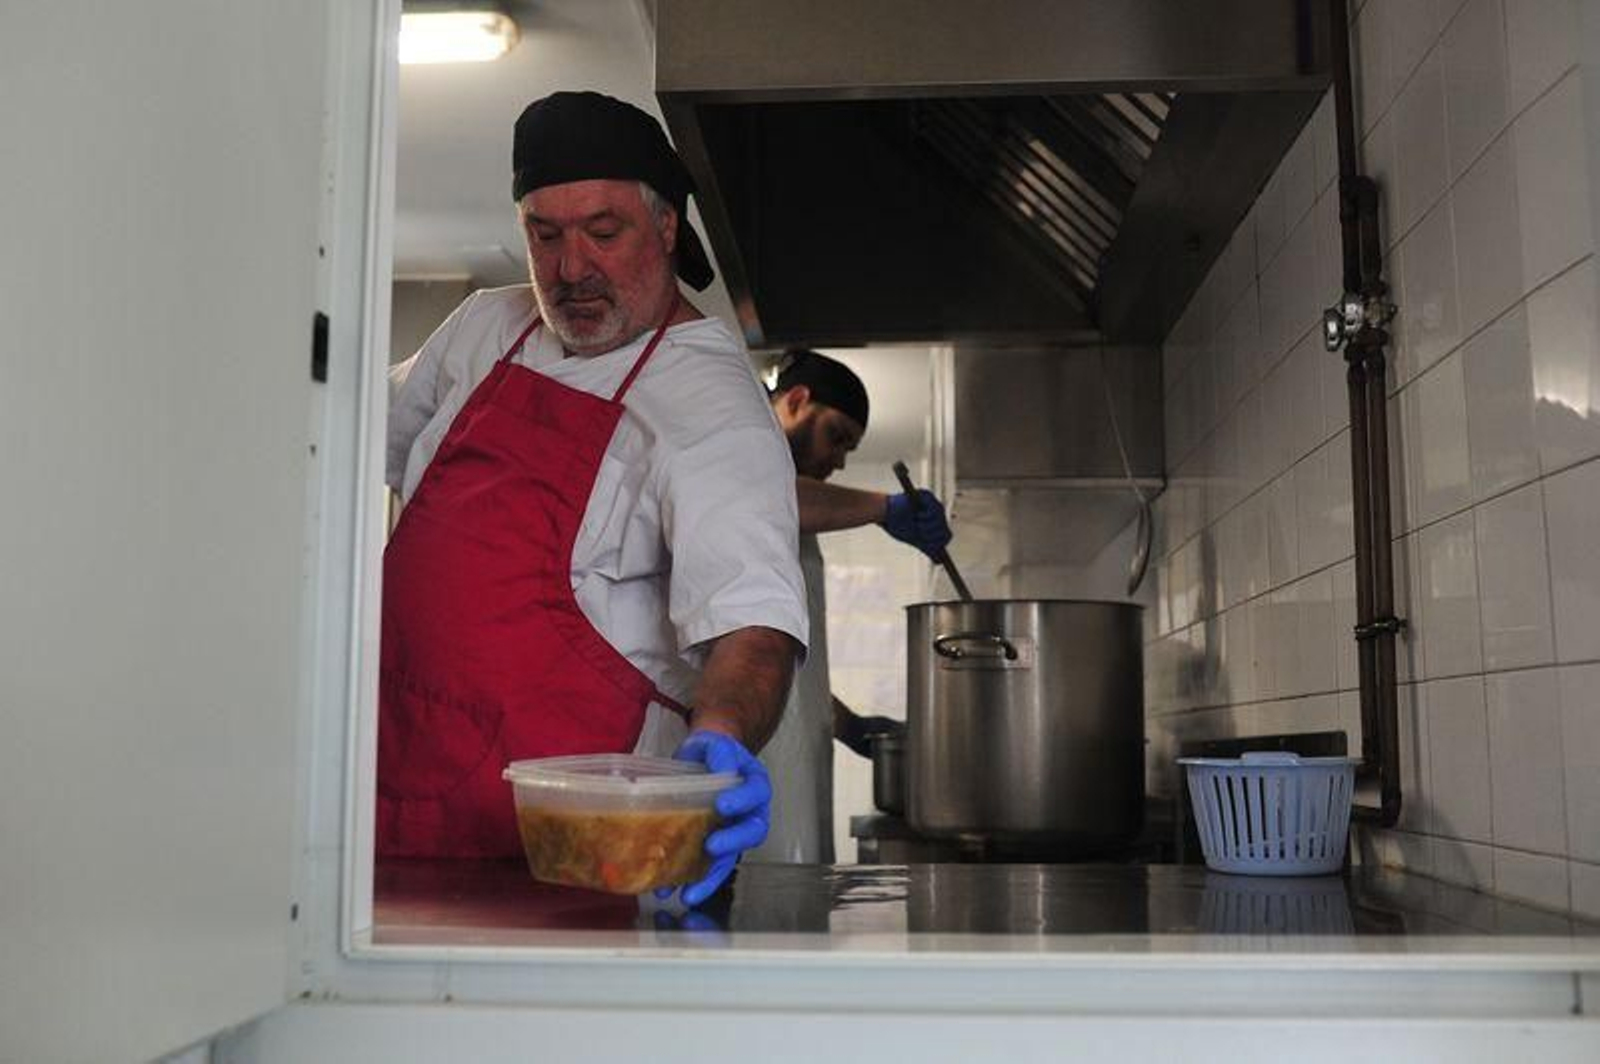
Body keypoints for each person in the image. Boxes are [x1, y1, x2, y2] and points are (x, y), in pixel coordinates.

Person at [381, 92, 808, 908]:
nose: (571, 269)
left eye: (603, 233)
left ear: (667, 227)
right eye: (545, 236)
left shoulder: (712, 404)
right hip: (392, 805)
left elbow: (753, 621)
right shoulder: (484, 328)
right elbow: (342, 443)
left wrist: (721, 733)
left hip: (579, 856)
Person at [748, 350, 952, 863]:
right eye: (836, 436)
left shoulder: (797, 510)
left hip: (787, 762)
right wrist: (884, 508)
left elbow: (774, 659)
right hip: (743, 761)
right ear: (796, 401)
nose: (839, 461)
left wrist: (846, 723)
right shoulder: (737, 451)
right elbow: (764, 496)